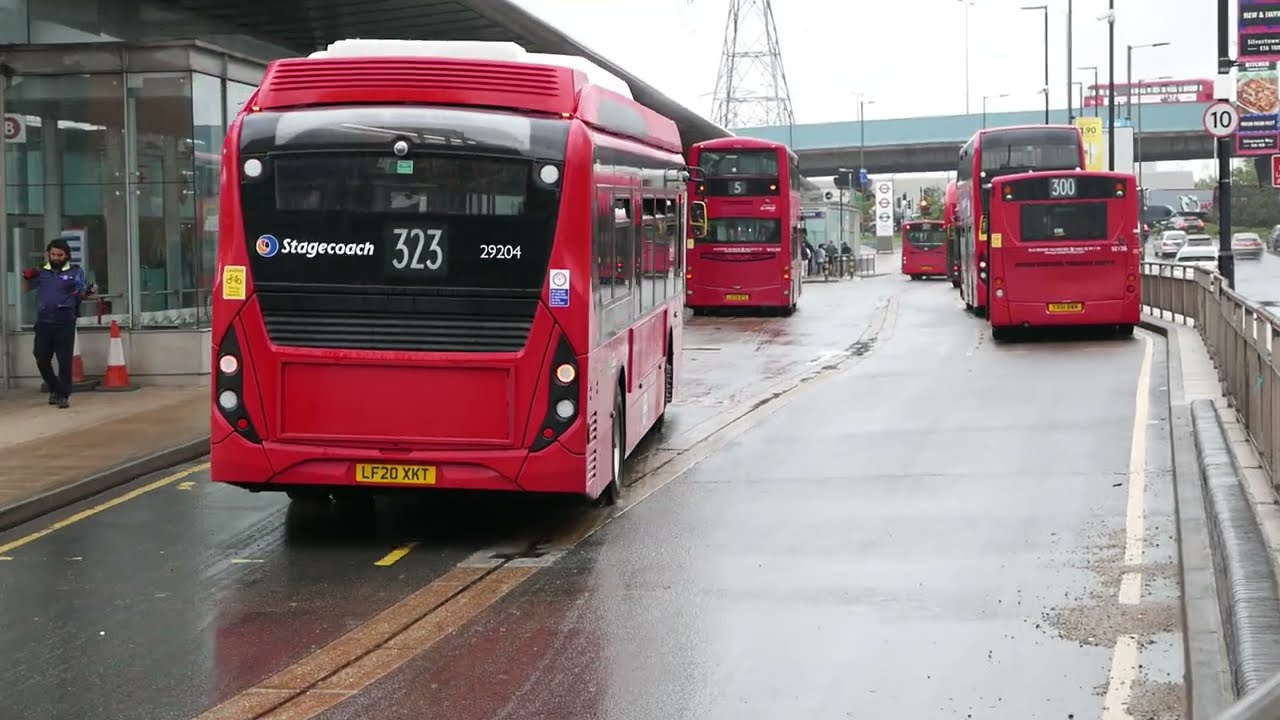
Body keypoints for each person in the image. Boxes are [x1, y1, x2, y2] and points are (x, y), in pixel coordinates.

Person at [21, 238, 95, 408]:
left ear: (66, 255)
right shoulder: (41, 271)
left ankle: (63, 395)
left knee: (64, 360)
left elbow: (83, 294)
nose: (55, 258)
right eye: (53, 254)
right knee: (40, 357)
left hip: (65, 322)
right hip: (44, 322)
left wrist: (89, 291)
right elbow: (26, 290)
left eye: (59, 255)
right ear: (48, 254)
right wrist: (27, 278)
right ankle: (54, 386)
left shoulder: (75, 271)